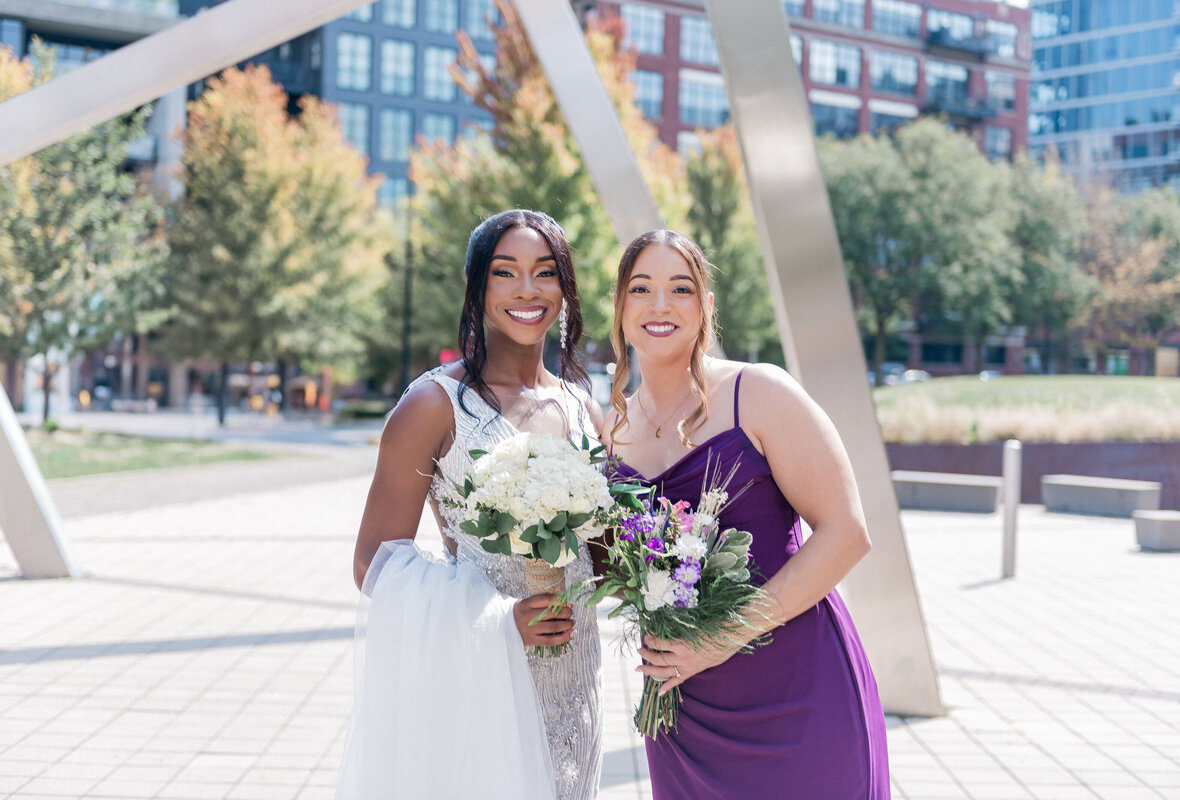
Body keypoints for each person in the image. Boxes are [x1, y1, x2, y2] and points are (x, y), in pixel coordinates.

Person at [602, 230, 890, 799]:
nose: (660, 305)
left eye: (679, 288)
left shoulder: (758, 393)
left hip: (797, 691)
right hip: (683, 709)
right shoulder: (607, 432)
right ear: (620, 306)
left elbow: (847, 533)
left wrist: (722, 637)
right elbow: (617, 570)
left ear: (706, 306)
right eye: (642, 288)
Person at [336, 210, 604, 800]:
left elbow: (607, 554)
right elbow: (372, 563)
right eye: (505, 273)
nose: (527, 290)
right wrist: (498, 622)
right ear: (477, 288)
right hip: (484, 680)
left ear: (566, 289)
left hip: (578, 683)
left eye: (545, 272)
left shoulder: (585, 411)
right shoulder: (433, 405)